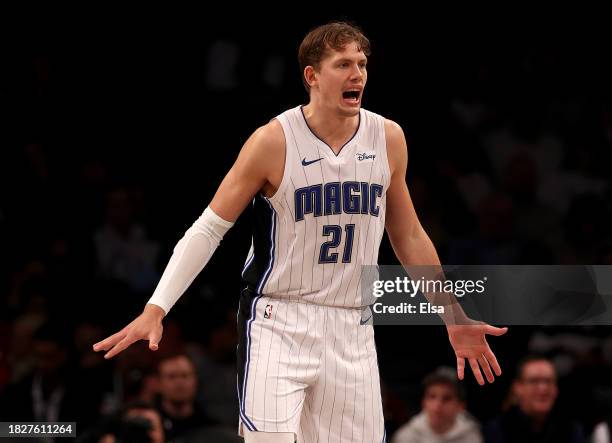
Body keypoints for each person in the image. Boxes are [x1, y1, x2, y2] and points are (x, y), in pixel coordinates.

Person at [94, 21, 507, 442]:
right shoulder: (273, 141)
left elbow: (409, 236)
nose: (357, 74)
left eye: (362, 64)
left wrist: (452, 315)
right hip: (279, 318)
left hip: (352, 325)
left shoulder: (388, 137)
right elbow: (208, 229)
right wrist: (157, 307)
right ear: (312, 76)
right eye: (343, 64)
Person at [483, 355, 584, 443]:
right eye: (534, 381)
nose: (543, 389)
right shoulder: (497, 429)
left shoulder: (571, 429)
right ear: (517, 387)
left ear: (556, 389)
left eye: (549, 381)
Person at [392, 366, 483, 443]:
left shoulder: (471, 437)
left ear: (461, 405)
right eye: (432, 396)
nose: (438, 405)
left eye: (447, 398)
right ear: (423, 402)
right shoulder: (406, 438)